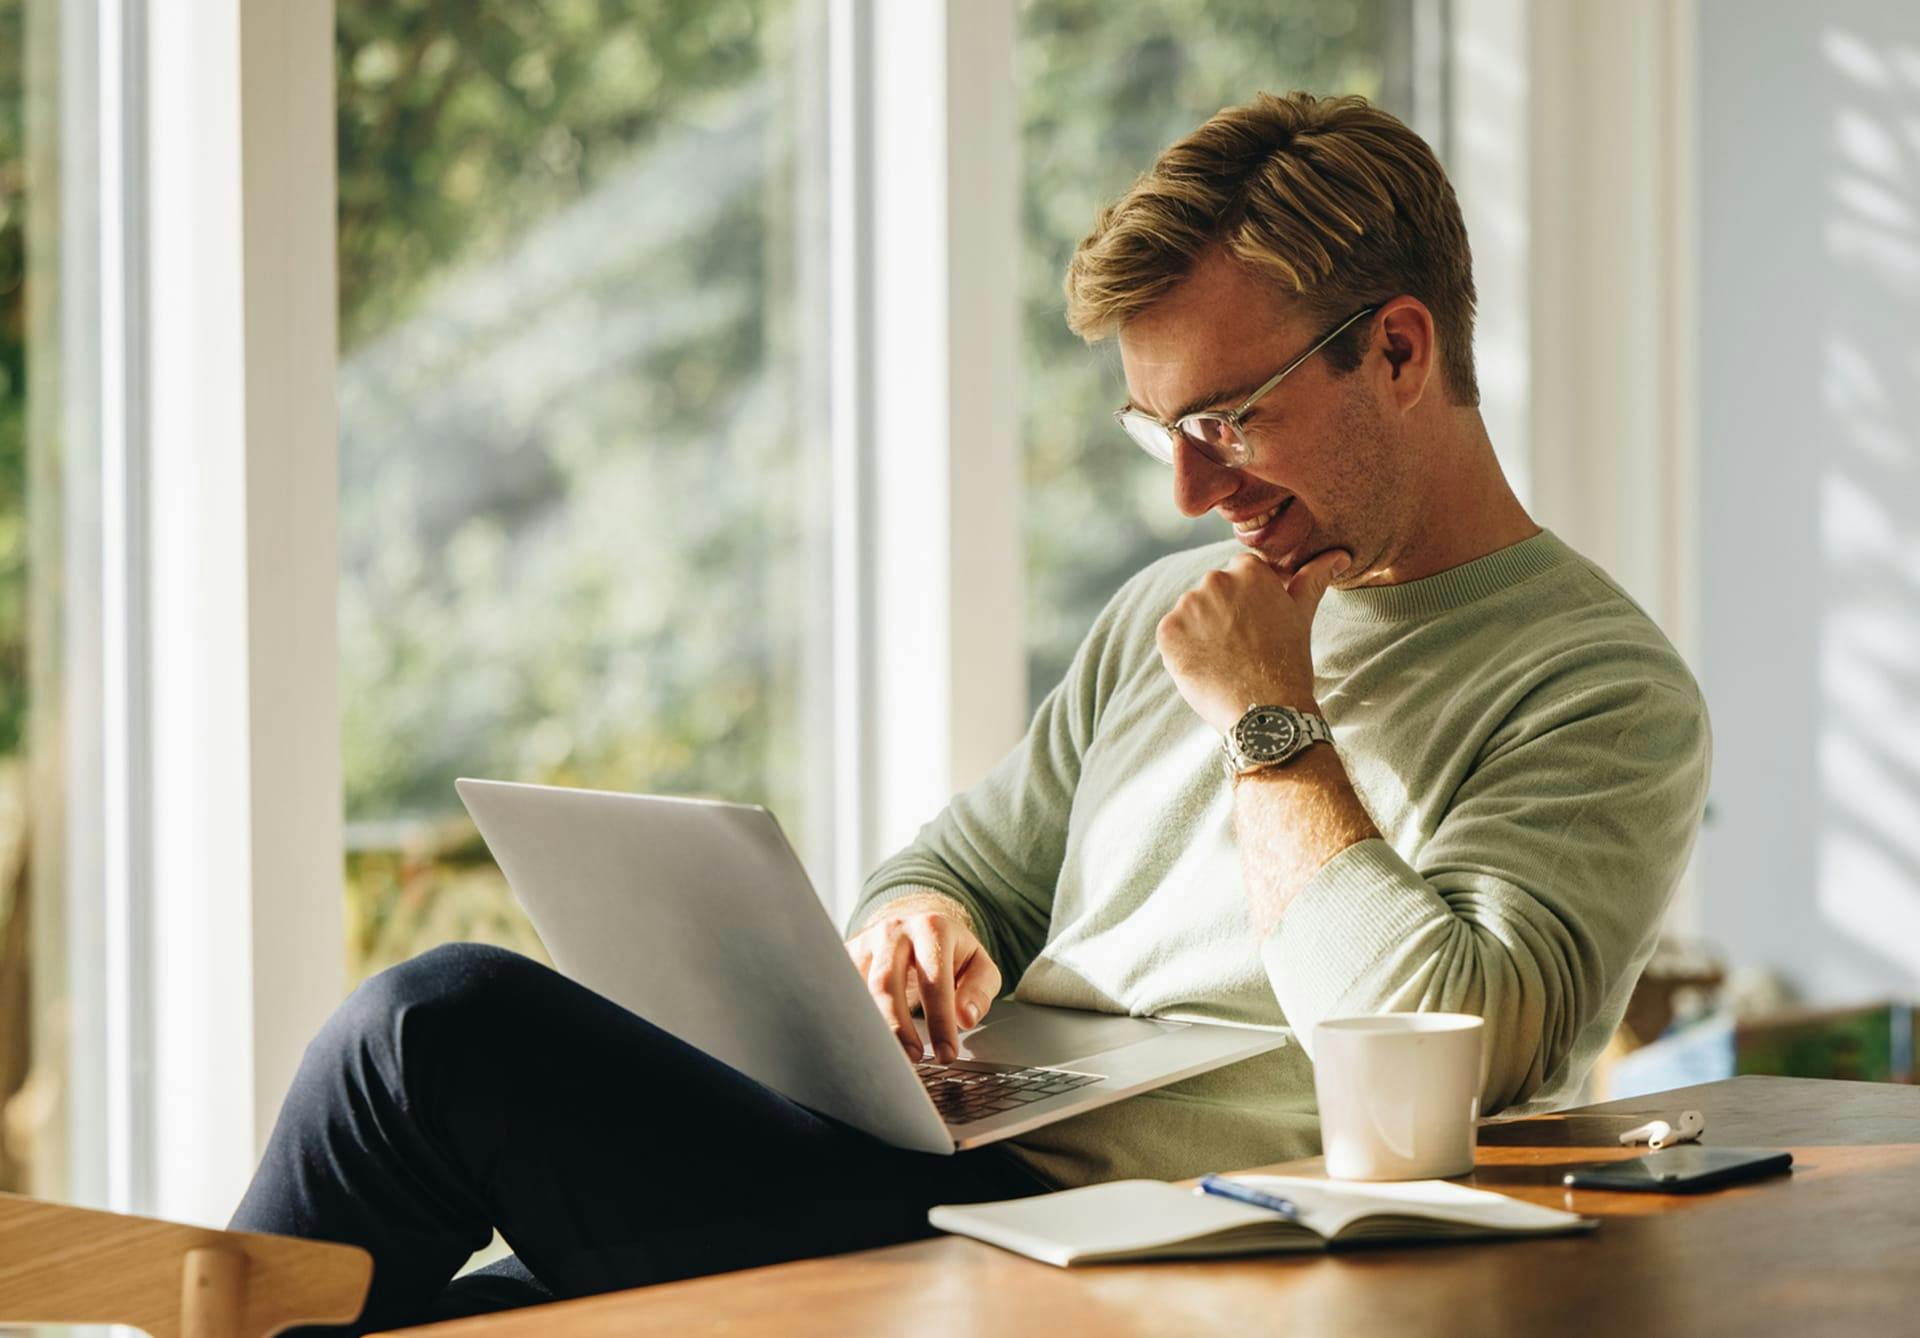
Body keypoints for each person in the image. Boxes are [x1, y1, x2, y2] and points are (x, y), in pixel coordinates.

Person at [232, 91, 1710, 1331]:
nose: (1194, 492)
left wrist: (1270, 720)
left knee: (431, 1033)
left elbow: (1446, 1043)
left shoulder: (1600, 691)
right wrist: (914, 927)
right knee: (411, 1310)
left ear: (1397, 351)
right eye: (1162, 433)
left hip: (1133, 1247)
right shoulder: (1162, 618)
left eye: (1229, 418)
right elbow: (962, 870)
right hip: (919, 1167)